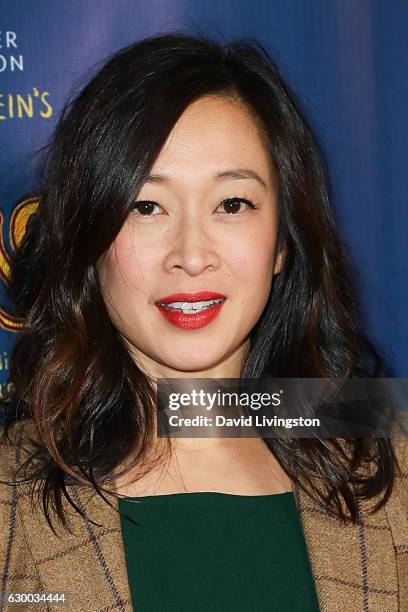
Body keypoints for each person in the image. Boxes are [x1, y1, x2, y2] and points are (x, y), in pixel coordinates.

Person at [0, 32, 407, 612]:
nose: (191, 255)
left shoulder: (389, 459)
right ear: (88, 242)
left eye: (232, 204)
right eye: (146, 206)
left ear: (282, 245)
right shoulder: (11, 502)